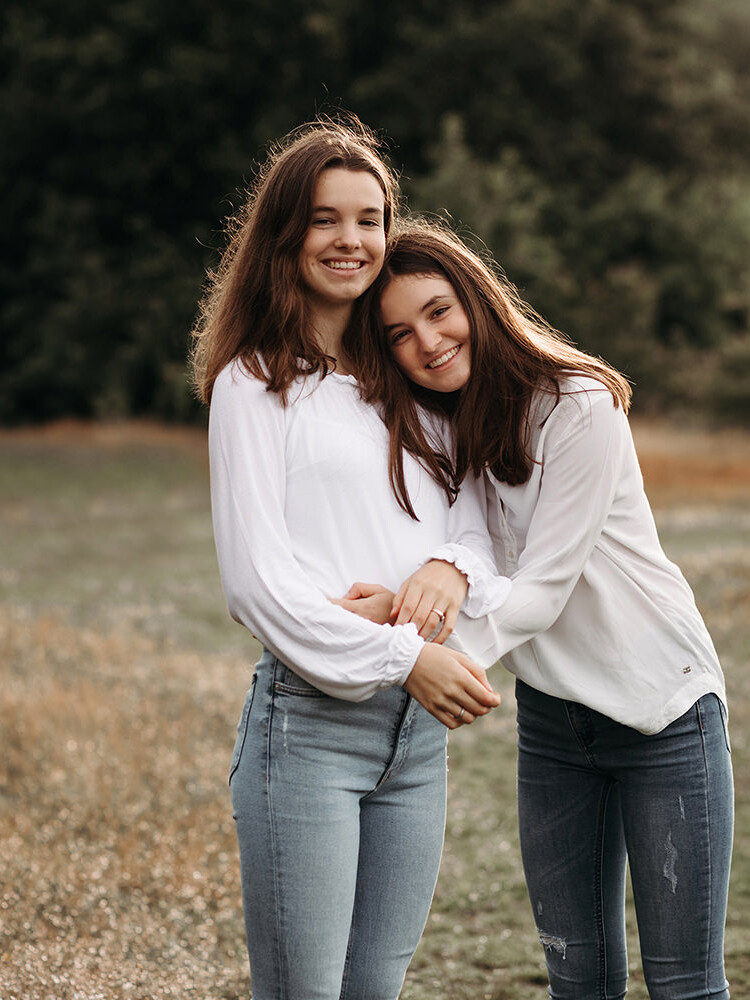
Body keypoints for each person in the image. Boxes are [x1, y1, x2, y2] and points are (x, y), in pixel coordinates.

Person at [346, 218, 733, 1000]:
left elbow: (545, 587)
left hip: (663, 710)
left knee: (684, 983)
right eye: (397, 334)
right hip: (556, 727)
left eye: (438, 310)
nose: (426, 341)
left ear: (477, 301)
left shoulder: (578, 405)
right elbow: (472, 560)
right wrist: (404, 608)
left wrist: (424, 659)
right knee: (577, 982)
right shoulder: (448, 430)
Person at [189, 122, 511, 1000]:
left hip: (416, 744)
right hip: (311, 732)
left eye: (370, 219)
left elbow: (481, 522)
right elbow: (257, 585)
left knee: (377, 989)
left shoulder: (410, 374)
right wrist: (406, 656)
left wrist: (446, 567)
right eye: (326, 219)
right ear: (285, 233)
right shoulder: (254, 383)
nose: (351, 240)